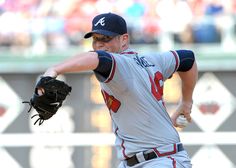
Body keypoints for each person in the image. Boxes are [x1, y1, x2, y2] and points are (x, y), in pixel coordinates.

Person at [43, 12, 198, 168]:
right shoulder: (152, 60)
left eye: (106, 38)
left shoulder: (120, 63)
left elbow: (97, 58)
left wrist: (54, 70)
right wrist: (186, 101)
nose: (99, 45)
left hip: (161, 160)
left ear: (124, 39)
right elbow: (187, 58)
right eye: (96, 39)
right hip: (138, 161)